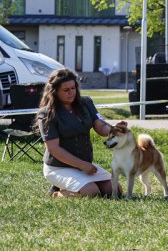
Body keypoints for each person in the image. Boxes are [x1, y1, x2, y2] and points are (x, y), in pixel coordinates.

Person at [36, 68, 126, 198]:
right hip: (58, 168)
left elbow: (100, 126)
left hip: (84, 165)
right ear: (54, 91)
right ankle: (57, 193)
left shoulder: (86, 102)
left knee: (115, 190)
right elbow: (53, 149)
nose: (71, 92)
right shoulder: (46, 113)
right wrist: (82, 165)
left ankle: (71, 185)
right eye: (66, 90)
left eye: (73, 88)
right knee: (91, 192)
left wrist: (113, 129)